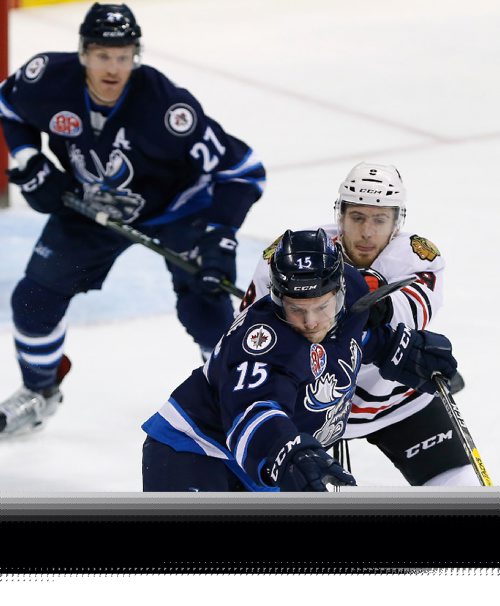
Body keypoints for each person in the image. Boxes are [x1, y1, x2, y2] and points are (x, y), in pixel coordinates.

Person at [0, 3, 265, 437]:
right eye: (103, 55)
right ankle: (39, 393)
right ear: (83, 53)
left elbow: (244, 170)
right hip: (92, 209)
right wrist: (31, 161)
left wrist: (221, 235)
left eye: (123, 56)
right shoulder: (47, 78)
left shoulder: (168, 110)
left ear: (136, 56)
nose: (113, 67)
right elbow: (7, 106)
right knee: (33, 301)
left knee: (206, 311)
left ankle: (237, 408)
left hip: (179, 211)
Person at [141, 229, 458, 492]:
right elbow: (253, 410)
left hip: (264, 467)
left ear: (340, 290)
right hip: (196, 452)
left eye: (321, 307)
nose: (310, 322)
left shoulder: (350, 293)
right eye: (296, 308)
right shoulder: (262, 342)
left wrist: (399, 349)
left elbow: (355, 336)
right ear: (277, 296)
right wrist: (287, 451)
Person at [241, 163, 479, 486]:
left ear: (397, 223)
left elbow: (408, 311)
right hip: (311, 405)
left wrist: (370, 305)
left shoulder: (415, 257)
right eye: (358, 218)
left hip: (395, 399)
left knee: (460, 485)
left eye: (379, 220)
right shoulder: (292, 254)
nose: (367, 232)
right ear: (340, 217)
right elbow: (250, 333)